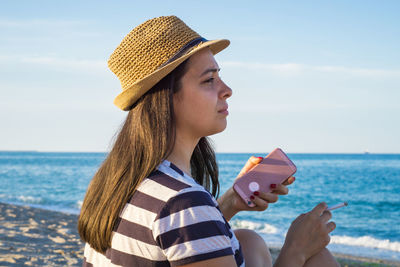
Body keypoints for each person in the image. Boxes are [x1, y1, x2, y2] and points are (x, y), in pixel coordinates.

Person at [78, 15, 339, 267]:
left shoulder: (115, 181)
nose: (227, 90)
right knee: (317, 257)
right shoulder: (181, 202)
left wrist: (228, 203)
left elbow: (170, 238)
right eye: (209, 80)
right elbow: (180, 220)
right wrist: (295, 250)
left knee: (248, 240)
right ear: (166, 98)